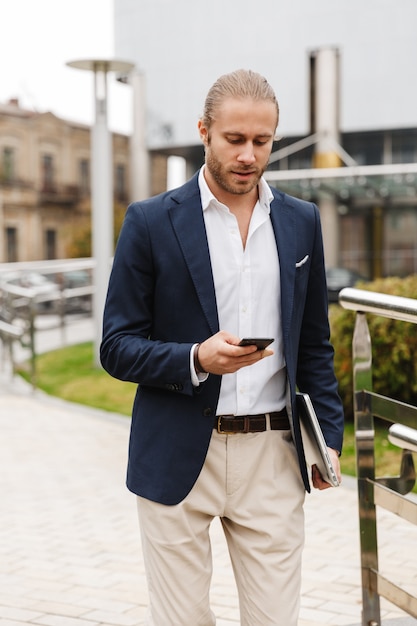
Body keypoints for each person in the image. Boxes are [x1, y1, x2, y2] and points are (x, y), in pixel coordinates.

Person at [100, 68, 344, 626]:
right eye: (235, 139)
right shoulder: (150, 222)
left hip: (272, 456)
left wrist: (327, 437)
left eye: (262, 141)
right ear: (204, 132)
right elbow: (116, 346)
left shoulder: (302, 222)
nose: (248, 155)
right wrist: (194, 359)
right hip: (179, 450)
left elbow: (314, 346)